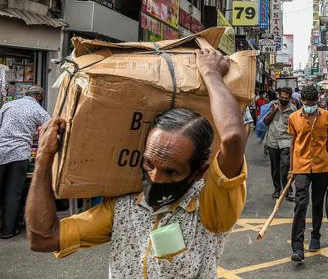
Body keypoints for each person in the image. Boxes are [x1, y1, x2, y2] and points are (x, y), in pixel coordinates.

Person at [25, 48, 248, 278]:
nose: (155, 178)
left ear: (199, 171)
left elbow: (232, 139)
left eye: (171, 171)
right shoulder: (125, 205)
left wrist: (211, 74)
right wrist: (43, 159)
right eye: (149, 164)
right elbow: (43, 238)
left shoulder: (210, 207)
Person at [287, 85, 328, 264]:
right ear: (302, 102)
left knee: (318, 204)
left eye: (313, 103)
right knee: (300, 205)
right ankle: (297, 247)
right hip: (301, 167)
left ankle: (315, 236)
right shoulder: (293, 118)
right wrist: (290, 169)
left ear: (318, 101)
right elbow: (293, 144)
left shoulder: (327, 116)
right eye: (307, 104)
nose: (310, 107)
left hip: (322, 167)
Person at [0, 86, 50, 239]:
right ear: (39, 97)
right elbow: (51, 128)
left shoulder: (8, 105)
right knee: (13, 192)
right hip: (19, 154)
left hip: (0, 150)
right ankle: (8, 230)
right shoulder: (38, 110)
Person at [264, 87, 296, 201]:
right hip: (272, 141)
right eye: (281, 97)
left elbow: (296, 127)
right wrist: (275, 110)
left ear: (289, 98)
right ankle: (277, 189)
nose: (283, 99)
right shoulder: (271, 106)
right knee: (275, 168)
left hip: (286, 141)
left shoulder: (293, 109)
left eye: (286, 98)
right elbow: (266, 121)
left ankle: (288, 190)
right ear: (278, 96)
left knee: (285, 167)